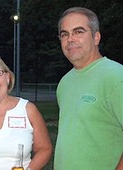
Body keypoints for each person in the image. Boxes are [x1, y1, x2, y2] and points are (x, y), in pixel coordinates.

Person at [54, 7, 123, 170]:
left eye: (78, 32)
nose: (70, 39)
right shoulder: (64, 83)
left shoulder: (116, 77)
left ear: (96, 37)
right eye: (65, 34)